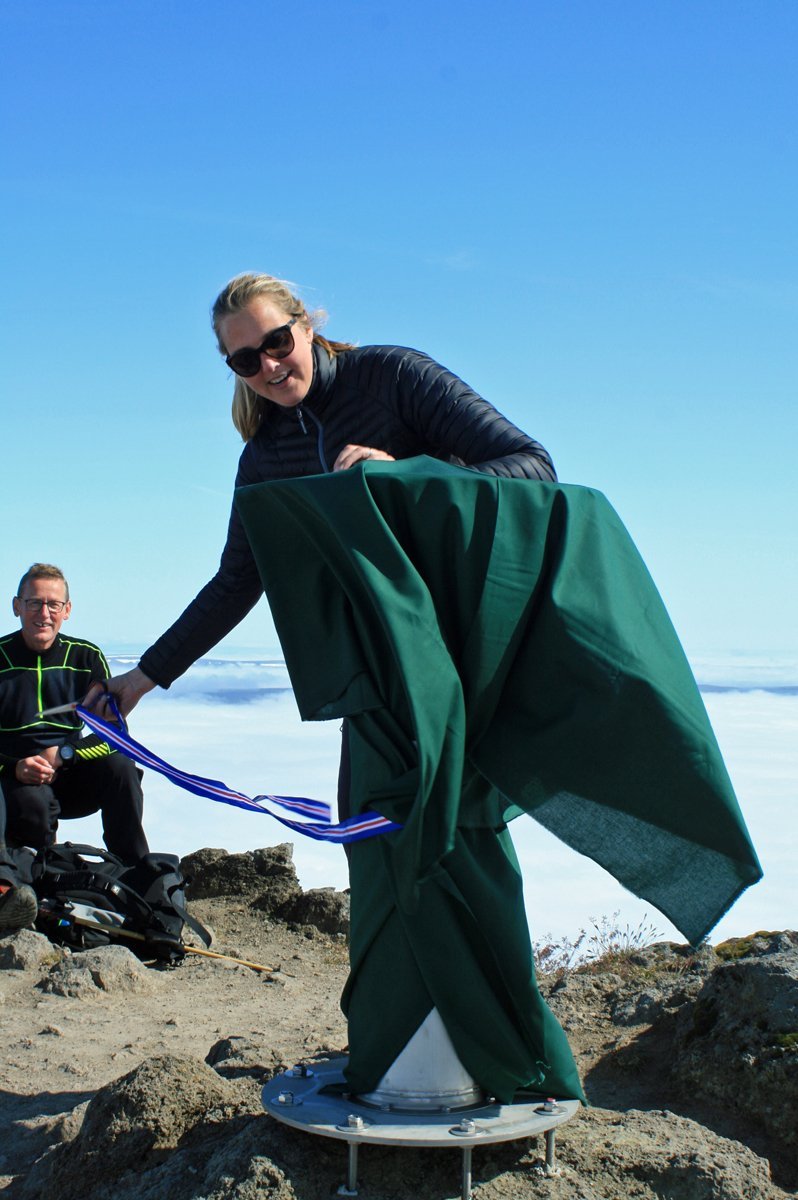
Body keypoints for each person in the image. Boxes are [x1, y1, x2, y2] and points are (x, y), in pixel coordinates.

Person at [88, 271, 556, 732]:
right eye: (246, 360)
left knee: (457, 810)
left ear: (307, 327)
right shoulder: (265, 457)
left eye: (277, 342)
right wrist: (143, 678)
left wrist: (405, 479)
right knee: (367, 810)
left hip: (474, 650)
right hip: (381, 675)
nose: (269, 366)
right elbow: (236, 582)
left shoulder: (392, 377)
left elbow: (534, 468)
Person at [0, 564, 149, 862]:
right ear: (17, 606)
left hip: (71, 772)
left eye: (53, 604)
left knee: (121, 768)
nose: (44, 614)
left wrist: (66, 753)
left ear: (66, 610)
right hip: (14, 779)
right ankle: (32, 888)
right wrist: (14, 767)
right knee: (33, 805)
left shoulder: (85, 657)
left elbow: (116, 738)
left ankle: (136, 872)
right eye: (34, 603)